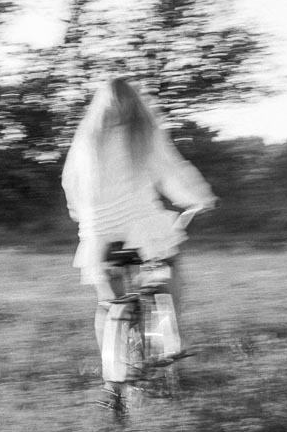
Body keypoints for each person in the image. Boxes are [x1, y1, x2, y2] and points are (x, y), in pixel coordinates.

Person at [62, 76, 216, 381]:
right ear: (136, 103)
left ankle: (111, 372)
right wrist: (200, 198)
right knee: (170, 267)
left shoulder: (86, 139)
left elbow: (71, 183)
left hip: (99, 235)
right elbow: (172, 172)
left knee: (108, 304)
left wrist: (85, 218)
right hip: (141, 228)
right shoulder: (143, 133)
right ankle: (172, 337)